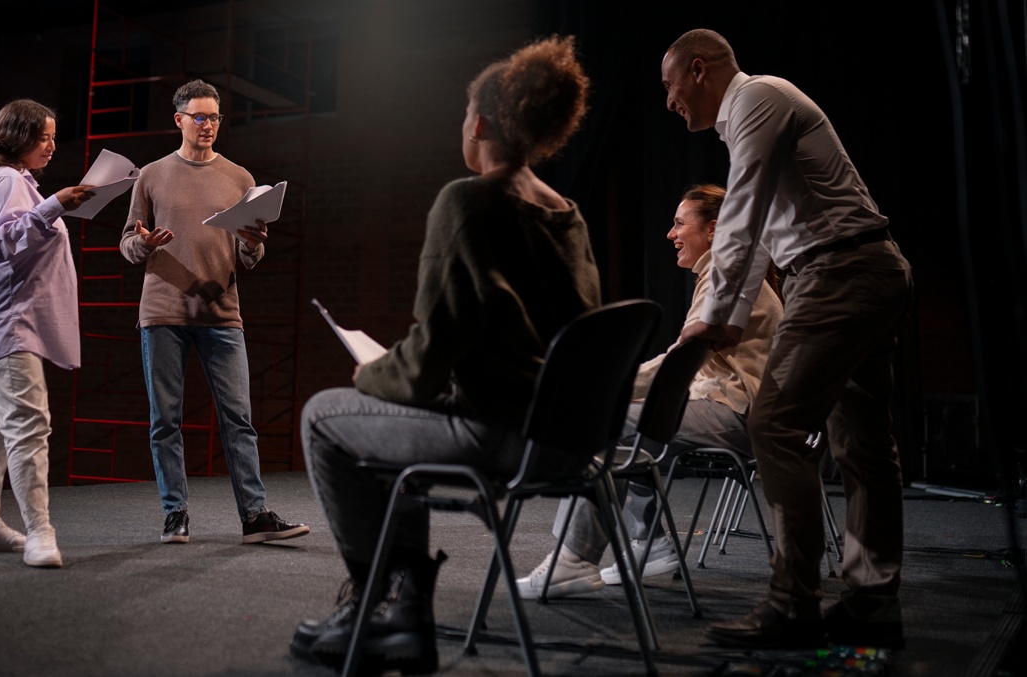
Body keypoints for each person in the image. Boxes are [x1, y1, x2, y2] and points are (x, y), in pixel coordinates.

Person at [291, 35, 598, 674]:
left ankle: (380, 608)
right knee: (395, 426)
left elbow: (428, 357)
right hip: (567, 439)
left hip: (500, 433)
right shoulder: (567, 214)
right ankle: (403, 613)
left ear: (479, 124)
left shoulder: (467, 200)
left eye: (464, 114)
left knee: (324, 417)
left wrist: (372, 372)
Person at [661, 29, 914, 650]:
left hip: (840, 270)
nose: (669, 102)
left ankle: (793, 603)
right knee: (861, 443)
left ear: (699, 69)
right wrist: (725, 316)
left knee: (774, 425)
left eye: (670, 86)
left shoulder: (758, 98)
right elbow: (757, 233)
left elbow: (741, 216)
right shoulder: (748, 119)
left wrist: (713, 317)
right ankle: (873, 602)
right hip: (852, 269)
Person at [514, 183, 782, 600]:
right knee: (629, 423)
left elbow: (684, 356)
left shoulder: (726, 271)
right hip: (731, 406)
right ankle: (650, 541)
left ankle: (574, 558)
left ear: (713, 229)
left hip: (738, 413)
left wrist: (608, 384)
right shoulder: (729, 269)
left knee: (606, 423)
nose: (671, 234)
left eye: (679, 224)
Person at [119, 79, 309, 546]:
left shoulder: (240, 178)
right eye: (200, 117)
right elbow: (127, 244)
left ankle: (254, 517)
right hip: (163, 312)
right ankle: (175, 514)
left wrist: (251, 244)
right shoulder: (152, 175)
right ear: (179, 120)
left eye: (215, 118)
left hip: (222, 313)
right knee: (166, 420)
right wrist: (144, 243)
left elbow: (249, 257)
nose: (208, 125)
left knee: (238, 418)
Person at [0, 99, 96, 568]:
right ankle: (40, 532)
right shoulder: (6, 180)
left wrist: (53, 204)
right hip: (9, 318)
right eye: (42, 137)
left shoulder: (3, 179)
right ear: (17, 137)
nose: (51, 146)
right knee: (28, 424)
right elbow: (7, 239)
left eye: (54, 137)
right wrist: (57, 204)